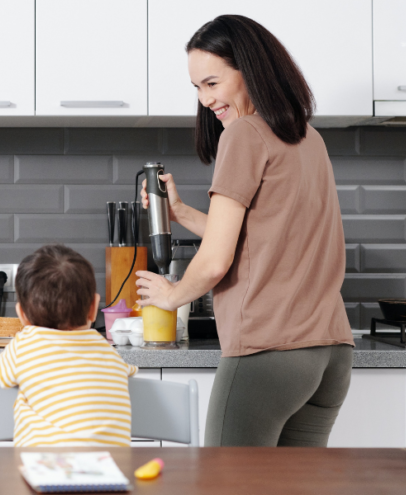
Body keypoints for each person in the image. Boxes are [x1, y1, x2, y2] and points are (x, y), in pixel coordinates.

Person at [135, 14, 354, 447]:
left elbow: (216, 260)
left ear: (250, 69)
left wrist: (171, 295)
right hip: (329, 354)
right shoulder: (307, 137)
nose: (204, 100)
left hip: (269, 352)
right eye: (197, 88)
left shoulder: (243, 135)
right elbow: (261, 237)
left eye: (213, 83)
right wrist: (179, 211)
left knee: (226, 485)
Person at [0, 244, 138, 447]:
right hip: (108, 472)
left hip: (43, 470)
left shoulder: (25, 345)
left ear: (21, 314)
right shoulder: (107, 351)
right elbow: (128, 371)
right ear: (94, 308)